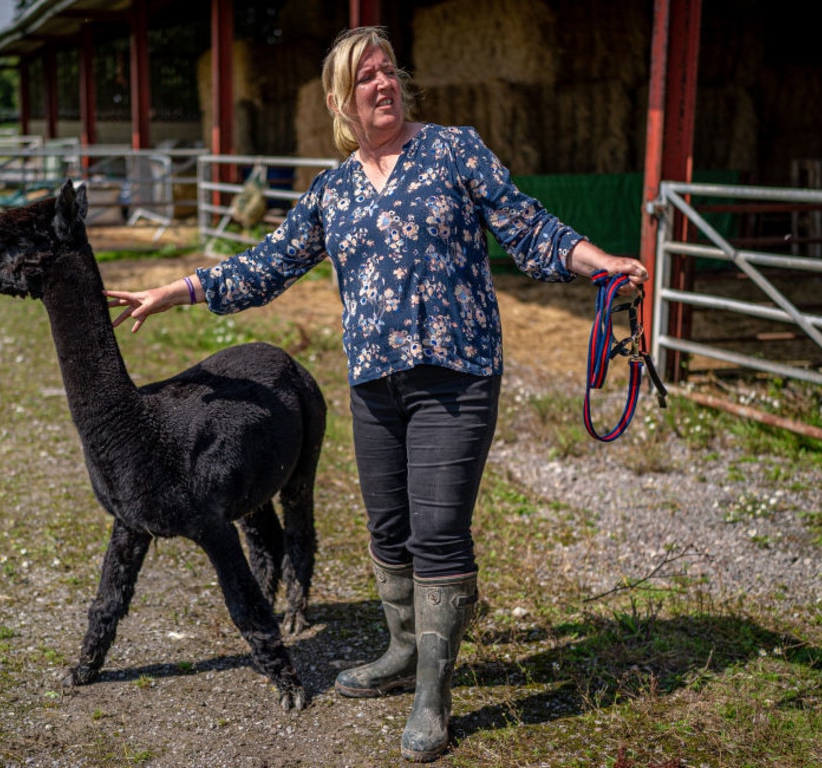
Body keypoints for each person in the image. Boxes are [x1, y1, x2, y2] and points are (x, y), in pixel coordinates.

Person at [105, 25, 648, 763]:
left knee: (438, 533)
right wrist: (175, 290)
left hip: (456, 377)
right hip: (375, 385)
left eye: (389, 70)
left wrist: (600, 264)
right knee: (389, 530)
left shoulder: (455, 150)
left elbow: (526, 225)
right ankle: (400, 650)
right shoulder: (332, 191)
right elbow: (266, 265)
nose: (384, 84)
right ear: (340, 100)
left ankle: (433, 691)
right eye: (366, 77)